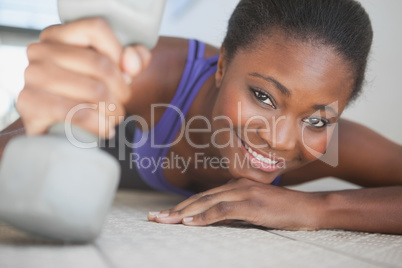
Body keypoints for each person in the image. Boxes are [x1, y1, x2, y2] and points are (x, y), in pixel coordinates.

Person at [1, 0, 401, 234]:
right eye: (263, 96)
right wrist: (44, 122)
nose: (279, 139)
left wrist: (316, 209)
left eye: (317, 120)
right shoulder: (147, 74)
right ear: (222, 63)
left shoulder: (331, 146)